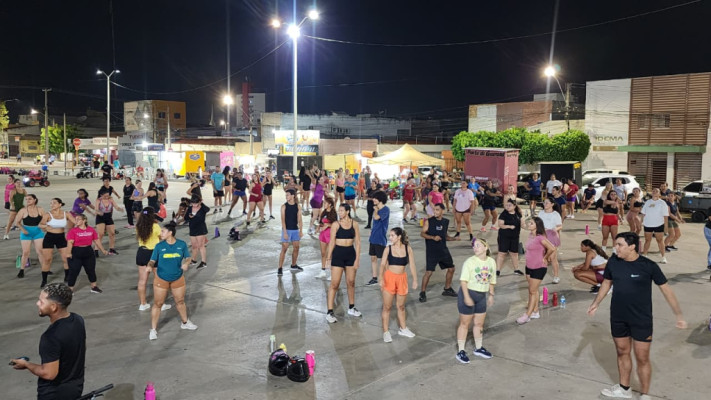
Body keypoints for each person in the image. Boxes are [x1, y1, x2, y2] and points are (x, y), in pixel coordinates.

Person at [587, 232, 686, 399]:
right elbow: (606, 282)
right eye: (615, 244)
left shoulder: (648, 266)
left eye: (620, 245)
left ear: (632, 247)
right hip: (618, 316)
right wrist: (596, 303)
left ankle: (645, 395)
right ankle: (624, 389)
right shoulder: (613, 262)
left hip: (641, 319)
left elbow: (666, 290)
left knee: (642, 358)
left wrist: (679, 315)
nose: (615, 248)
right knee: (622, 352)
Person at [11, 283, 86, 400]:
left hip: (54, 394)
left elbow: (49, 374)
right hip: (75, 388)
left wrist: (26, 364)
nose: (37, 303)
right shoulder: (78, 320)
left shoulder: (50, 337)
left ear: (53, 307)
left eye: (41, 302)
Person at [147, 221, 199, 340]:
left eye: (163, 231)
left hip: (178, 278)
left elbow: (188, 257)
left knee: (180, 301)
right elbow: (152, 260)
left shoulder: (181, 244)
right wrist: (149, 266)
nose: (160, 233)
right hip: (161, 278)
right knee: (158, 304)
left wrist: (186, 263)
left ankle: (185, 323)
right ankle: (153, 330)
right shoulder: (159, 246)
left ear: (170, 233)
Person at [456, 238, 496, 363]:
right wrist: (467, 297)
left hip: (481, 296)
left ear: (486, 247)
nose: (475, 248)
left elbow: (492, 280)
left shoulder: (491, 262)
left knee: (479, 324)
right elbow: (463, 281)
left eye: (478, 245)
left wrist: (491, 295)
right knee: (464, 324)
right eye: (474, 246)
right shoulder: (470, 262)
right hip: (468, 293)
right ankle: (461, 351)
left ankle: (478, 348)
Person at [379, 227, 417, 342]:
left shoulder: (408, 249)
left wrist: (415, 279)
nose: (390, 238)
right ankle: (386, 332)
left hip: (402, 279)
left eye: (392, 235)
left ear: (399, 237)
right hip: (389, 278)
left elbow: (412, 265)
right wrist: (380, 278)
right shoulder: (388, 249)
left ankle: (403, 328)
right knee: (387, 307)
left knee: (401, 306)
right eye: (389, 236)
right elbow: (382, 264)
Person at [325, 204, 362, 323]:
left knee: (351, 282)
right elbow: (332, 242)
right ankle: (329, 312)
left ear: (347, 211)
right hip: (338, 255)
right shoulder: (336, 224)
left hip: (350, 254)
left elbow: (358, 242)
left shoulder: (354, 224)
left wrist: (357, 259)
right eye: (339, 211)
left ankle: (351, 307)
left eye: (341, 211)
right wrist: (328, 259)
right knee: (334, 284)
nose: (339, 213)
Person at [516, 217, 556, 324]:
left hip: (539, 267)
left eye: (531, 223)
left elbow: (552, 248)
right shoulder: (530, 235)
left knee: (532, 291)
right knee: (533, 290)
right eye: (529, 223)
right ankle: (535, 311)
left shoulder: (540, 238)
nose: (529, 224)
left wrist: (545, 258)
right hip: (529, 266)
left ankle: (527, 315)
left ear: (537, 226)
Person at [419, 203, 460, 302]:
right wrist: (432, 237)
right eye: (434, 210)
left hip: (443, 250)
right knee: (429, 272)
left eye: (437, 210)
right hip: (432, 251)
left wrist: (454, 239)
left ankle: (447, 288)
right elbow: (422, 233)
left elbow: (445, 236)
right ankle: (422, 293)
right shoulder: (429, 221)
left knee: (451, 268)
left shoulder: (445, 222)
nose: (435, 212)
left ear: (443, 211)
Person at [135, 207, 171, 311]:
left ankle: (143, 304)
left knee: (142, 281)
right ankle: (161, 304)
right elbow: (162, 237)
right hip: (153, 254)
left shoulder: (138, 226)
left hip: (141, 253)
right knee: (159, 280)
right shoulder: (155, 226)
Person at [65, 214, 107, 292]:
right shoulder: (73, 231)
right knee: (74, 271)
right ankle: (70, 289)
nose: (76, 221)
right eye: (75, 219)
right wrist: (68, 253)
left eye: (78, 219)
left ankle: (94, 287)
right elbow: (70, 242)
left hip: (88, 251)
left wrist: (103, 250)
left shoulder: (91, 230)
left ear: (84, 220)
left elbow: (96, 240)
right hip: (76, 252)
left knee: (91, 270)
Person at [40, 198, 75, 287]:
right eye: (51, 203)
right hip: (49, 237)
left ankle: (67, 277)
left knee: (66, 258)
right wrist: (46, 227)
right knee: (47, 259)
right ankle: (44, 280)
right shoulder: (47, 214)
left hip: (61, 237)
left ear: (60, 204)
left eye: (54, 203)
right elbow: (40, 224)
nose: (52, 205)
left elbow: (76, 222)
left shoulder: (66, 214)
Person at [15, 194, 47, 279]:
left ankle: (44, 269)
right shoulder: (23, 210)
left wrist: (44, 227)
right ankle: (22, 270)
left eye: (29, 199)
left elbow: (44, 220)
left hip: (38, 232)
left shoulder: (40, 209)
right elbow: (17, 222)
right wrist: (23, 230)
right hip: (26, 232)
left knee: (40, 251)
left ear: (35, 200)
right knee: (26, 252)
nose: (27, 201)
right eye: (26, 199)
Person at [366, 191, 390, 286]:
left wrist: (375, 210)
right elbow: (375, 223)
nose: (373, 200)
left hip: (380, 238)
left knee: (383, 260)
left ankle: (388, 277)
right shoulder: (376, 208)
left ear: (380, 199)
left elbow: (376, 218)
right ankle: (374, 277)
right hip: (373, 237)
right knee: (373, 258)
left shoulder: (385, 209)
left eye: (375, 198)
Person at [278, 189, 303, 275]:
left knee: (296, 248)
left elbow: (300, 219)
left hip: (295, 230)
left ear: (293, 196)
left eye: (288, 195)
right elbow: (283, 221)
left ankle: (293, 265)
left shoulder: (298, 206)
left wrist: (301, 230)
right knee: (284, 248)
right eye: (286, 195)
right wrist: (285, 233)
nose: (286, 197)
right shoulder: (284, 206)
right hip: (287, 230)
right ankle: (280, 268)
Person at [640, 189, 669, 264]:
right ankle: (645, 255)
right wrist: (641, 222)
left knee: (660, 241)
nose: (654, 192)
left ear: (659, 194)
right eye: (653, 191)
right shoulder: (647, 202)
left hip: (659, 224)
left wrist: (666, 226)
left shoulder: (662, 203)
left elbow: (665, 216)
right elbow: (643, 213)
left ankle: (663, 257)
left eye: (657, 191)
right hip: (648, 224)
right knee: (647, 240)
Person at [538, 198, 563, 284]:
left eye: (547, 203)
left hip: (551, 236)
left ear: (552, 204)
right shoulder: (541, 213)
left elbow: (560, 226)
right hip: (541, 235)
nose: (545, 204)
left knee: (553, 258)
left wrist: (555, 229)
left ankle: (556, 276)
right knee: (540, 256)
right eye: (544, 203)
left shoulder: (555, 214)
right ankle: (538, 274)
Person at [496, 199, 523, 276]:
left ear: (514, 206)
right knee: (502, 253)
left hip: (515, 237)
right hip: (504, 237)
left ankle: (516, 269)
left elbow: (522, 224)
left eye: (509, 205)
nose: (507, 207)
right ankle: (497, 270)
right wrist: (509, 226)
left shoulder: (518, 214)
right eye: (506, 205)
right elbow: (500, 225)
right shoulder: (503, 214)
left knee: (514, 254)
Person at [94, 191, 124, 256]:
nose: (106, 197)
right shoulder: (98, 200)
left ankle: (111, 249)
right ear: (101, 195)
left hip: (108, 217)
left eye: (108, 196)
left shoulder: (111, 199)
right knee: (101, 234)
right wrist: (99, 212)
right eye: (105, 196)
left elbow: (116, 207)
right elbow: (96, 209)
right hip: (100, 217)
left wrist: (120, 209)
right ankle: (96, 250)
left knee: (112, 233)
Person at [184, 194, 209, 270]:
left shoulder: (203, 208)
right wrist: (189, 217)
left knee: (201, 245)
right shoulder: (190, 208)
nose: (194, 205)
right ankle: (194, 260)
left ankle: (203, 262)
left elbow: (208, 209)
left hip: (200, 228)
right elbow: (185, 218)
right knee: (194, 246)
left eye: (196, 203)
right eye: (193, 203)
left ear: (199, 202)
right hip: (192, 228)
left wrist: (201, 203)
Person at [316, 197, 337, 279]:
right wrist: (319, 227)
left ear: (330, 204)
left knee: (330, 254)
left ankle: (332, 273)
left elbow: (336, 224)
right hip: (323, 235)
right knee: (323, 253)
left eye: (325, 203)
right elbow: (321, 222)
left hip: (330, 235)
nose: (324, 204)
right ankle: (323, 270)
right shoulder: (323, 212)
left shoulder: (334, 213)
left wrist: (328, 225)